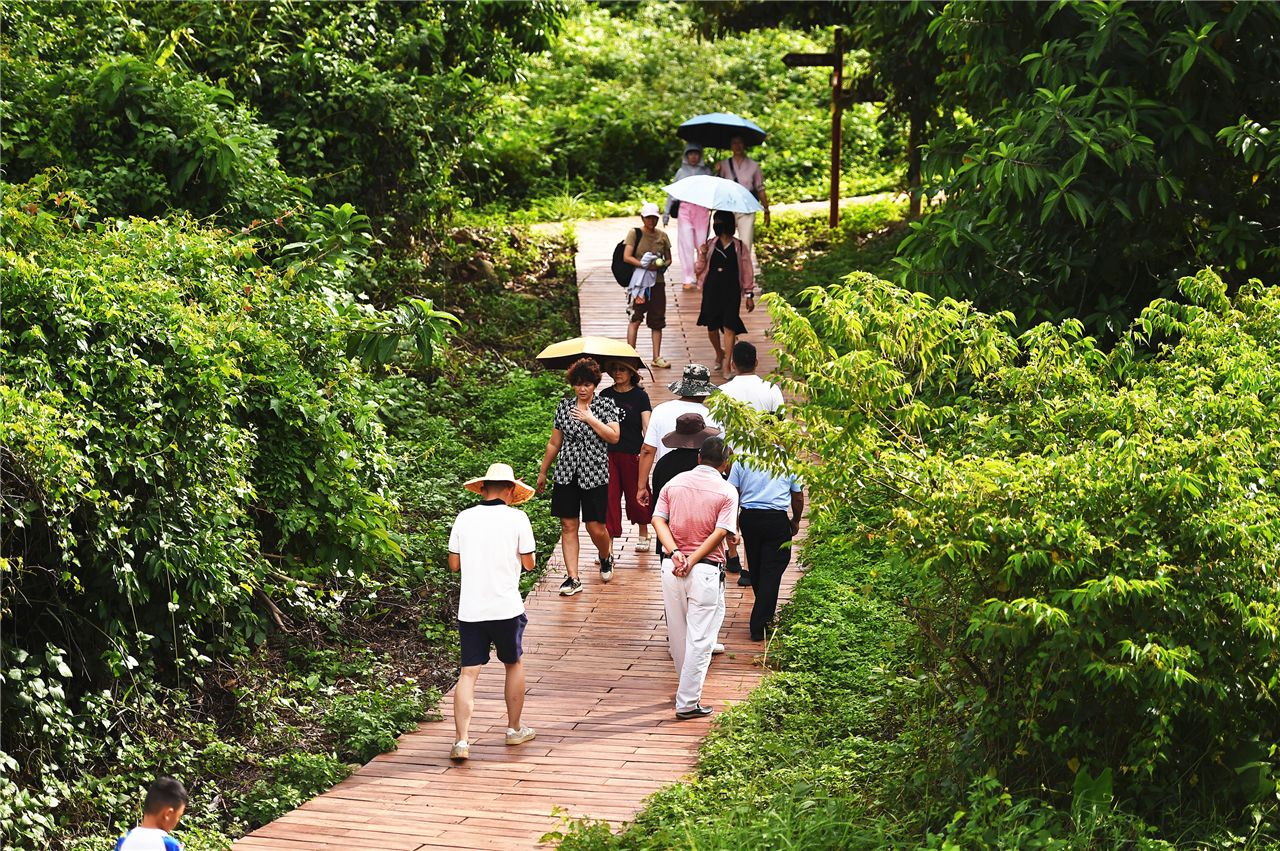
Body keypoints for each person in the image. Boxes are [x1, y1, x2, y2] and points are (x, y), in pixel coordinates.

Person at [447, 463, 539, 761]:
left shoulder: (464, 518)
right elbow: (529, 564)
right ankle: (513, 729)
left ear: (483, 488)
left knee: (468, 672)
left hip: (471, 608)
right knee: (512, 663)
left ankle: (461, 741)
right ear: (511, 489)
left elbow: (454, 564)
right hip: (506, 606)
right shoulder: (518, 518)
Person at [651, 436, 738, 720]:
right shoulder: (727, 491)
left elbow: (658, 520)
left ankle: (684, 689)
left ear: (699, 457)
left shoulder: (673, 484)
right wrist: (693, 559)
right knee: (700, 638)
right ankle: (687, 702)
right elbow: (721, 532)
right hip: (704, 570)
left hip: (671, 566)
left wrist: (676, 553)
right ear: (725, 463)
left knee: (677, 632)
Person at [536, 357, 621, 596]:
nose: (582, 389)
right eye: (578, 384)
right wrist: (544, 471)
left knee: (596, 527)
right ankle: (573, 577)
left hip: (594, 472)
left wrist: (590, 418)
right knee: (568, 524)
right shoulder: (564, 407)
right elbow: (555, 442)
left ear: (595, 384)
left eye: (587, 384)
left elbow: (614, 437)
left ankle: (606, 556)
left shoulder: (606, 406)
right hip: (566, 471)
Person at [718, 339, 786, 586]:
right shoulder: (771, 389)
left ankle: (732, 553)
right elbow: (779, 427)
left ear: (732, 363)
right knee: (752, 507)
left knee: (729, 505)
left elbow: (718, 428)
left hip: (731, 456)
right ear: (756, 362)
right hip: (763, 456)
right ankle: (747, 568)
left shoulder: (724, 392)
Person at [728, 458, 803, 642]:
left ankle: (763, 613)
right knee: (772, 568)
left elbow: (732, 492)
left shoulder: (741, 459)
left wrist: (734, 522)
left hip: (749, 518)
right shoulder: (789, 461)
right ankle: (759, 624)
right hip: (776, 519)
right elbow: (798, 495)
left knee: (755, 564)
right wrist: (796, 519)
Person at [637, 364, 720, 510]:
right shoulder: (714, 416)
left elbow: (647, 450)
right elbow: (722, 453)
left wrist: (641, 486)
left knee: (664, 519)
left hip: (666, 474)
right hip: (702, 482)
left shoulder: (661, 410)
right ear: (705, 390)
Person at [600, 361, 653, 552]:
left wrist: (648, 449)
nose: (617, 373)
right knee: (609, 497)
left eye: (622, 369)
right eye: (614, 369)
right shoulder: (605, 395)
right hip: (608, 453)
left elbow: (646, 425)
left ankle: (643, 532)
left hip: (633, 453)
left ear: (631, 373)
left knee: (636, 493)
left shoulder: (640, 396)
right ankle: (609, 543)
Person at [695, 212, 756, 377]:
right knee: (712, 327)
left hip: (732, 291)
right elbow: (698, 270)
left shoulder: (739, 246)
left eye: (719, 221)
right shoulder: (710, 244)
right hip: (712, 290)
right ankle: (719, 353)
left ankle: (727, 365)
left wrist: (749, 294)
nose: (717, 224)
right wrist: (702, 254)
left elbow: (747, 271)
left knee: (730, 327)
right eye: (715, 221)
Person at [623, 202, 674, 369]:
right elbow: (627, 256)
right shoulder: (634, 233)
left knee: (657, 319)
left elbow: (668, 258)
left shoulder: (662, 236)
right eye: (648, 218)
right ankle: (630, 356)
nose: (651, 221)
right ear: (642, 218)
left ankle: (656, 356)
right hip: (640, 284)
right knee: (635, 317)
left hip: (657, 283)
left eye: (654, 218)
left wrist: (660, 265)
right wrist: (643, 264)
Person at [716, 134, 771, 273]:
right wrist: (716, 172)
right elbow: (717, 186)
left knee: (745, 245)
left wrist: (766, 209)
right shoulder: (723, 165)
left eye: (740, 143)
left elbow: (760, 188)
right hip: (727, 208)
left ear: (745, 145)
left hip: (746, 208)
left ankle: (744, 276)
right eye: (734, 143)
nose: (738, 146)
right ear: (730, 146)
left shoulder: (754, 166)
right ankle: (729, 272)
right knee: (725, 242)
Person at [663, 142, 713, 292]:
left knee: (701, 244)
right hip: (685, 209)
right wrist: (666, 213)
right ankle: (687, 277)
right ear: (686, 155)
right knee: (685, 244)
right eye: (690, 153)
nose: (693, 156)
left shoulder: (706, 172)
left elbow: (712, 190)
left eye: (696, 153)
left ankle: (701, 274)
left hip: (702, 210)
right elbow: (672, 193)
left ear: (700, 155)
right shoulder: (681, 172)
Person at [115, 776, 187, 851]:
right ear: (168, 814)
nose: (177, 820)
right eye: (179, 816)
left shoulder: (124, 839)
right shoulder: (170, 845)